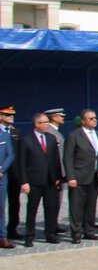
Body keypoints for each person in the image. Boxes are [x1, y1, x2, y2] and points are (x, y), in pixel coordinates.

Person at [64, 108, 98, 244]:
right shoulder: (74, 135)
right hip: (79, 176)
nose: (94, 120)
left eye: (95, 118)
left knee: (91, 205)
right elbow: (68, 157)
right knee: (77, 206)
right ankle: (76, 232)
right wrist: (70, 176)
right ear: (83, 121)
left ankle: (89, 230)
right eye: (91, 118)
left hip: (94, 176)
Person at [20, 113, 63, 246]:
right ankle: (29, 235)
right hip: (34, 181)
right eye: (44, 122)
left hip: (50, 180)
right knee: (32, 209)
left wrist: (57, 177)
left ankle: (50, 234)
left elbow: (56, 160)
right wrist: (24, 181)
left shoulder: (50, 138)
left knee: (51, 208)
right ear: (36, 124)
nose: (46, 125)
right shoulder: (27, 140)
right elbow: (21, 163)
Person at [1, 105, 23, 240]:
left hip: (14, 173)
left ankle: (12, 229)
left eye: (12, 115)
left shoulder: (16, 132)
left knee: (15, 202)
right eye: (8, 115)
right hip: (2, 172)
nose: (11, 117)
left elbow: (19, 154)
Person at [44, 108, 68, 234]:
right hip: (54, 173)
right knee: (53, 201)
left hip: (60, 172)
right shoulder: (49, 132)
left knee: (57, 200)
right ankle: (51, 225)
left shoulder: (56, 132)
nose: (63, 118)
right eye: (60, 116)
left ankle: (54, 223)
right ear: (53, 117)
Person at [0, 115, 14, 249]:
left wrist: (2, 170)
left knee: (1, 209)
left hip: (1, 177)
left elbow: (11, 154)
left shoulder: (4, 135)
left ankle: (2, 237)